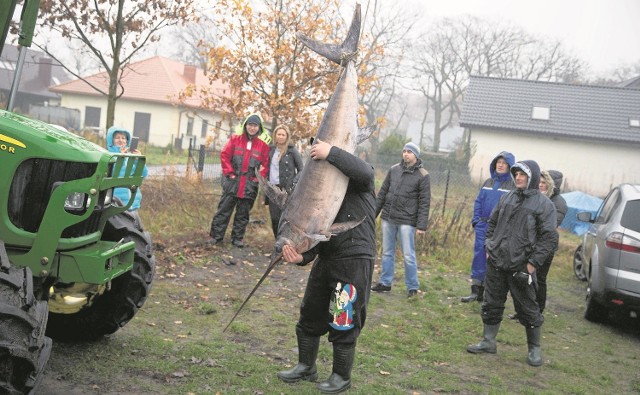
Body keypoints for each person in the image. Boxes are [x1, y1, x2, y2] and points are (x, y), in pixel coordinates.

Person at [277, 139, 376, 394]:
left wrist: (331, 151)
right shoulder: (323, 188)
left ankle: (341, 377)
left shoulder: (358, 178)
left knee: (343, 317)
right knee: (310, 311)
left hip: (354, 258)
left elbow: (367, 172)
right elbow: (315, 233)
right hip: (327, 257)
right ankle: (306, 366)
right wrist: (303, 257)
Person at [466, 160, 558, 367]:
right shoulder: (507, 197)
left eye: (522, 174)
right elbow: (492, 223)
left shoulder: (544, 205)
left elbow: (549, 239)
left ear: (532, 177)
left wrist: (533, 264)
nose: (517, 177)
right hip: (497, 262)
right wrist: (490, 247)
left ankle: (534, 349)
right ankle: (488, 341)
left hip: (522, 266)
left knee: (528, 308)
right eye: (516, 174)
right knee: (491, 303)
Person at [371, 142, 430, 298]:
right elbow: (382, 193)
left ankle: (412, 287)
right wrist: (373, 215)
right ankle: (385, 283)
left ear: (416, 155)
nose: (406, 154)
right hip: (388, 218)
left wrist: (421, 226)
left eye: (409, 152)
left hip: (407, 221)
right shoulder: (394, 170)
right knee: (387, 253)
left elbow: (425, 202)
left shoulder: (423, 175)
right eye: (404, 151)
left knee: (409, 255)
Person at [461, 151, 516, 303]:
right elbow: (478, 202)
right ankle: (475, 291)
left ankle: (488, 293)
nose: (500, 165)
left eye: (504, 163)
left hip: (499, 229)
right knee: (479, 256)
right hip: (482, 226)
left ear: (510, 166)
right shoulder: (488, 183)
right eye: (498, 162)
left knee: (493, 258)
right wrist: (476, 221)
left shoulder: (512, 186)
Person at [209, 114, 270, 248]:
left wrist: (256, 179)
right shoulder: (234, 140)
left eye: (255, 126)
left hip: (249, 185)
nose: (252, 128)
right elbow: (224, 155)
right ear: (245, 125)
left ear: (259, 128)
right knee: (223, 210)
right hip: (232, 182)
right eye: (250, 125)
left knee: (243, 213)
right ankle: (216, 236)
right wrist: (229, 173)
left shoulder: (263, 146)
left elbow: (265, 165)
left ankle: (237, 238)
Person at [535, 170, 567, 313]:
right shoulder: (536, 198)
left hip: (546, 246)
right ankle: (525, 309)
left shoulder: (559, 203)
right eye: (539, 182)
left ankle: (538, 310)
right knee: (528, 278)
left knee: (539, 278)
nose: (540, 185)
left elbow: (550, 225)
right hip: (532, 243)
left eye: (544, 183)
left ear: (551, 184)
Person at [265, 124, 304, 237]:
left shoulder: (292, 151)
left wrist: (293, 183)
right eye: (279, 134)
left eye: (283, 135)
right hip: (272, 189)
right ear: (275, 135)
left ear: (287, 136)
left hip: (286, 190)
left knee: (286, 219)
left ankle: (287, 245)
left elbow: (301, 169)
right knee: (274, 218)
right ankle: (278, 244)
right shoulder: (271, 150)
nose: (281, 137)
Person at [106, 126, 149, 227]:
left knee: (137, 229)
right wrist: (120, 157)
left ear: (127, 141)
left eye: (123, 138)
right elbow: (112, 173)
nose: (121, 140)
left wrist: (139, 159)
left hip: (133, 202)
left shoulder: (130, 157)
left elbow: (143, 174)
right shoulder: (109, 156)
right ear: (111, 140)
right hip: (117, 203)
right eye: (117, 137)